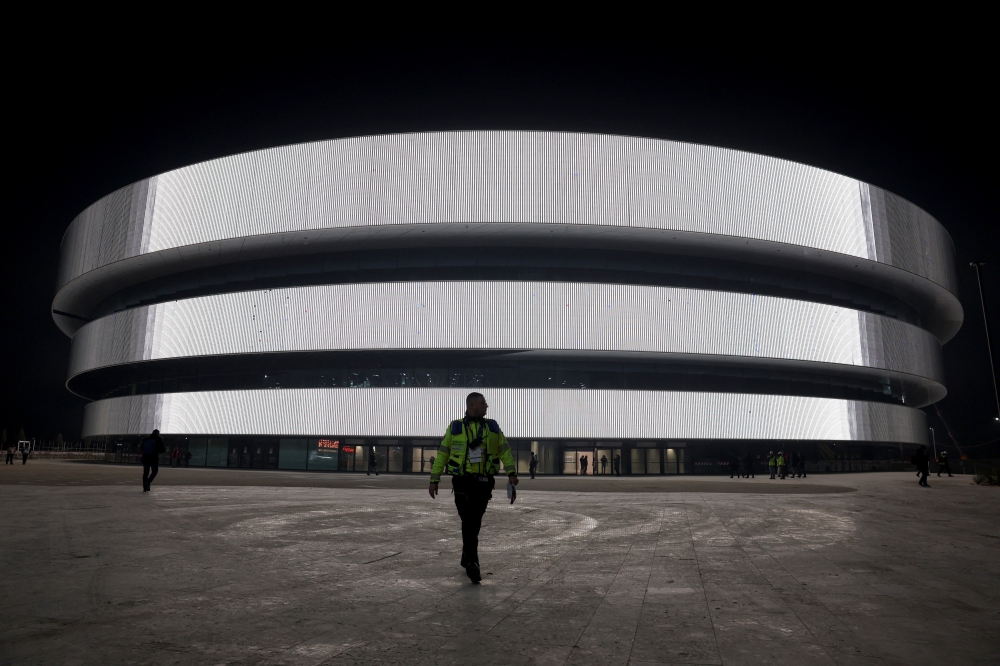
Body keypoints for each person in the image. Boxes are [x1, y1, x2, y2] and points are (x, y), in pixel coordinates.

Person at [428, 392, 518, 583]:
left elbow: (504, 450)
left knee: (474, 521)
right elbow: (443, 453)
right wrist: (434, 479)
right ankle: (472, 562)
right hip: (462, 481)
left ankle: (467, 556)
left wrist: (511, 473)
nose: (486, 406)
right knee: (468, 519)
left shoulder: (492, 428)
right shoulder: (455, 428)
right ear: (472, 407)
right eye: (483, 403)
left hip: (484, 482)